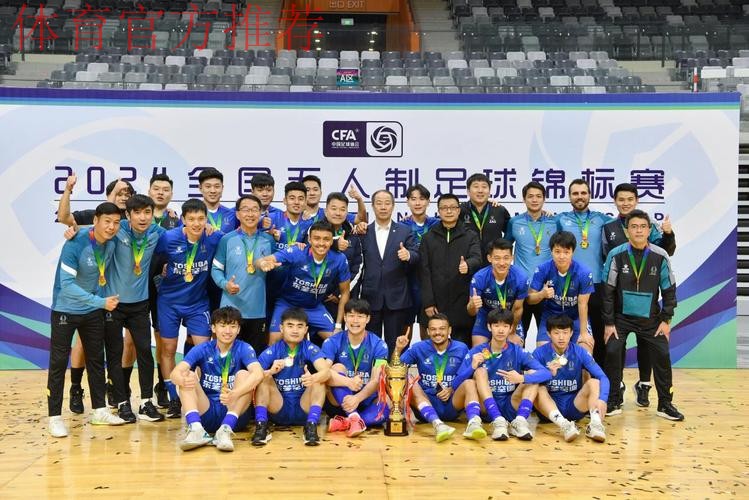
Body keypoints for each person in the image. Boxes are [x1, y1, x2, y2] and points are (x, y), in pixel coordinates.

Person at [56, 174, 133, 414]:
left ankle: (114, 390)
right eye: (118, 192)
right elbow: (64, 218)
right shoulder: (93, 218)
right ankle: (76, 388)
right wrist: (68, 190)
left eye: (127, 193)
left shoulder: (128, 223)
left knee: (115, 345)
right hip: (90, 297)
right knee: (83, 343)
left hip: (114, 296)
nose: (123, 197)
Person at [47, 202, 126, 437]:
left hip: (91, 311)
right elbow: (67, 285)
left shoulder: (111, 243)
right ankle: (54, 418)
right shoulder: (75, 243)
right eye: (107, 222)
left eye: (116, 223)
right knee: (58, 363)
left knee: (96, 361)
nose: (111, 227)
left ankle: (99, 411)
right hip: (65, 309)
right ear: (95, 221)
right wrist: (100, 302)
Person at [602, 210, 683, 421]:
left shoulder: (660, 255)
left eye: (643, 227)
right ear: (627, 231)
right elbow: (608, 291)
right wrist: (609, 323)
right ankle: (613, 399)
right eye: (634, 227)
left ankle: (665, 404)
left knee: (662, 355)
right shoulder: (616, 254)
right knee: (612, 352)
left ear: (649, 230)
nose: (638, 231)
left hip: (651, 319)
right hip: (620, 318)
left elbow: (669, 290)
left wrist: (666, 320)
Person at [155, 199, 224, 419]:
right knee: (168, 349)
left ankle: (201, 395)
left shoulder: (213, 238)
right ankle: (173, 398)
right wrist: (161, 272)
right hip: (169, 302)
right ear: (183, 220)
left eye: (201, 219)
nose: (196, 223)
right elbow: (154, 262)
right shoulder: (168, 238)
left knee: (204, 349)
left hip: (198, 303)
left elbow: (234, 241)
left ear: (207, 220)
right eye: (191, 219)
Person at [101, 194, 166, 423]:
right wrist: (72, 230)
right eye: (137, 213)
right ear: (127, 215)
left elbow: (183, 236)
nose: (143, 217)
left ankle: (146, 402)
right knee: (115, 353)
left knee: (145, 352)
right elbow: (90, 229)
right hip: (114, 304)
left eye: (147, 212)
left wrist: (206, 229)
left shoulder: (158, 233)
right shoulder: (117, 230)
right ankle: (122, 403)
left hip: (140, 304)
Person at [172, 307, 264, 452]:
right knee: (186, 375)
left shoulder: (244, 348)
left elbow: (258, 374)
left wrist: (235, 393)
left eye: (232, 326)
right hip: (207, 411)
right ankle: (196, 430)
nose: (228, 331)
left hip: (235, 413)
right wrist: (182, 380)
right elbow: (175, 373)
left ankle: (225, 430)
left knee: (244, 375)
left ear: (238, 329)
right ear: (213, 328)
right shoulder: (202, 348)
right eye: (223, 325)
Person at [455, 309, 552, 441]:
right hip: (486, 409)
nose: (501, 330)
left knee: (532, 375)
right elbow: (455, 384)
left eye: (505, 326)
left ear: (511, 328)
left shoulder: (517, 351)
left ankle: (520, 421)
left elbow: (546, 373)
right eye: (496, 326)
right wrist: (472, 367)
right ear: (489, 327)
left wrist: (521, 378)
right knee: (480, 371)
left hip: (510, 406)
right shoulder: (477, 351)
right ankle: (497, 420)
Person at [392, 314, 484, 442]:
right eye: (433, 329)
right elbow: (395, 370)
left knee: (470, 383)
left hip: (452, 404)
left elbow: (465, 374)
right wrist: (398, 349)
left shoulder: (461, 348)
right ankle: (438, 425)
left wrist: (452, 389)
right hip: (425, 404)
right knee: (408, 379)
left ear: (449, 330)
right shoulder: (419, 347)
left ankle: (474, 424)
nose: (437, 332)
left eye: (442, 329)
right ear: (428, 331)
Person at [256, 221, 351, 344]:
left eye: (326, 239)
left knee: (338, 342)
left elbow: (345, 292)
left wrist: (338, 325)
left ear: (332, 241)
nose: (321, 243)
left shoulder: (339, 259)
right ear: (309, 240)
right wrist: (263, 263)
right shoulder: (297, 252)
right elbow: (262, 260)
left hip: (314, 307)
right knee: (273, 341)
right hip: (287, 304)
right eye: (317, 238)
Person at [252, 308, 330, 446]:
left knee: (319, 380)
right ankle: (261, 425)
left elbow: (326, 372)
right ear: (281, 328)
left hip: (304, 408)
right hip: (279, 408)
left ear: (306, 329)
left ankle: (311, 426)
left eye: (299, 326)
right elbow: (253, 376)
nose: (295, 330)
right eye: (290, 326)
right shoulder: (272, 350)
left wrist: (313, 378)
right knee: (264, 378)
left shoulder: (310, 348)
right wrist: (270, 371)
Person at [557, 179, 614, 365]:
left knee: (598, 332)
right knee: (568, 332)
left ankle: (599, 376)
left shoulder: (602, 219)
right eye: (575, 193)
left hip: (597, 283)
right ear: (569, 197)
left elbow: (626, 222)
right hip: (569, 285)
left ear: (590, 195)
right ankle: (571, 374)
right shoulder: (560, 219)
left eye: (583, 193)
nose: (579, 197)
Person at [211, 195, 275, 356]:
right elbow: (216, 269)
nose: (250, 214)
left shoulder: (268, 240)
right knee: (226, 357)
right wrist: (225, 284)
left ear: (260, 213)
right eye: (246, 210)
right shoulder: (227, 239)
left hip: (257, 311)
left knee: (254, 357)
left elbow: (277, 268)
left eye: (255, 210)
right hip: (230, 310)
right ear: (238, 214)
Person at [359, 189, 420, 354]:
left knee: (396, 345)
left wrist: (408, 255)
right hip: (370, 297)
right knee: (371, 344)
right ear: (373, 206)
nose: (383, 207)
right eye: (379, 203)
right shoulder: (364, 232)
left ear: (393, 206)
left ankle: (395, 371)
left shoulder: (404, 230)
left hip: (397, 297)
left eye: (387, 203)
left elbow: (416, 255)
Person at [532, 315, 608, 443]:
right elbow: (527, 381)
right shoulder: (538, 353)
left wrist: (603, 399)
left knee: (594, 382)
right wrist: (547, 373)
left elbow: (602, 376)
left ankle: (595, 425)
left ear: (571, 333)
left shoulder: (580, 352)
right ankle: (564, 425)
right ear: (549, 334)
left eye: (565, 332)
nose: (561, 337)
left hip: (574, 405)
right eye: (556, 333)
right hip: (548, 409)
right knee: (537, 387)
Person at [420, 194, 482, 346]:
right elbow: (424, 271)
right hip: (435, 303)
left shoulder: (470, 235)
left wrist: (468, 265)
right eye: (444, 208)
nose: (449, 211)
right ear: (438, 211)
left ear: (459, 210)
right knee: (433, 348)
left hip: (461, 302)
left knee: (462, 348)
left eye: (453, 207)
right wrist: (428, 302)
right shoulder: (428, 238)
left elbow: (477, 258)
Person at [322, 299, 389, 438]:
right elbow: (325, 373)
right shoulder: (332, 341)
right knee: (336, 367)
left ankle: (349, 421)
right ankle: (353, 416)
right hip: (340, 403)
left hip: (365, 399)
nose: (355, 320)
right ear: (345, 318)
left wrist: (357, 398)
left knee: (385, 410)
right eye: (351, 315)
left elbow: (376, 380)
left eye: (360, 316)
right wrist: (349, 382)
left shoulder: (379, 345)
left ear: (368, 319)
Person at [505, 181, 558, 334]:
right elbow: (504, 248)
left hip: (547, 288)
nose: (534, 200)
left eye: (538, 196)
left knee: (549, 337)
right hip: (521, 288)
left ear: (544, 199)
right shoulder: (515, 222)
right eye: (530, 196)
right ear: (524, 199)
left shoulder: (554, 222)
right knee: (516, 336)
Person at [527, 231, 595, 351]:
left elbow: (583, 304)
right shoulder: (542, 269)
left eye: (566, 252)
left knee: (585, 350)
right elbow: (530, 299)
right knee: (543, 351)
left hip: (575, 317)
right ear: (551, 251)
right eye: (557, 251)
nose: (562, 256)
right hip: (551, 316)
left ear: (573, 252)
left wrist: (584, 333)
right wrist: (542, 294)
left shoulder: (584, 272)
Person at [147, 174, 180, 408]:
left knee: (162, 341)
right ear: (149, 191)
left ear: (171, 194)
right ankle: (121, 389)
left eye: (165, 189)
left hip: (163, 289)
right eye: (156, 188)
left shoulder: (176, 222)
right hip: (138, 288)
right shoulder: (139, 217)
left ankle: (162, 387)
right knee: (132, 342)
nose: (161, 193)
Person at [467, 238, 528, 347]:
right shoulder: (479, 277)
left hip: (509, 318)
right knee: (478, 349)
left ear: (512, 258)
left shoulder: (521, 278)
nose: (502, 263)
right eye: (497, 258)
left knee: (515, 347)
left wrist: (512, 332)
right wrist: (473, 305)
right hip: (485, 316)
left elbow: (518, 309)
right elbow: (471, 312)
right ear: (489, 258)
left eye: (506, 258)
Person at [400, 184, 440, 339]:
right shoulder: (401, 226)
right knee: (405, 328)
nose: (417, 203)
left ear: (428, 202)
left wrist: (489, 201)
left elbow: (459, 211)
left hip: (430, 284)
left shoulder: (437, 224)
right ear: (407, 202)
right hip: (408, 282)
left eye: (422, 199)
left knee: (429, 327)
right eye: (413, 199)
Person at [319, 192, 364, 326]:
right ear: (326, 211)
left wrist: (340, 294)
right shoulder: (315, 230)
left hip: (343, 298)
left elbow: (358, 267)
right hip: (318, 297)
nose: (338, 213)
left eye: (342, 209)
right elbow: (309, 256)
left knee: (341, 335)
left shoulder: (353, 234)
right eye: (334, 208)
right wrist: (334, 244)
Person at [460, 173, 511, 260]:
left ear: (489, 191)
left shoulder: (499, 210)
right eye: (476, 186)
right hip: (467, 262)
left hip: (493, 263)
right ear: (468, 191)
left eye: (484, 187)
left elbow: (511, 232)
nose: (480, 190)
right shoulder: (460, 210)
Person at [301, 174, 367, 225]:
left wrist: (359, 199)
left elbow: (361, 220)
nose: (312, 193)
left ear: (321, 193)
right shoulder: (297, 216)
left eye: (315, 189)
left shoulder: (330, 213)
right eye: (308, 190)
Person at [197, 167, 237, 233]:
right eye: (208, 186)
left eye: (217, 186)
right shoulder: (191, 215)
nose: (213, 191)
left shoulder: (232, 214)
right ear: (200, 188)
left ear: (222, 188)